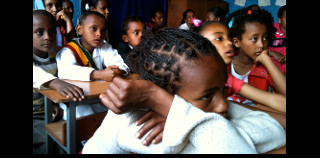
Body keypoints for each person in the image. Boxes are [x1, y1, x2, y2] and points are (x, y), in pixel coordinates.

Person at [82, 28, 286, 154]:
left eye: (222, 90)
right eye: (207, 96)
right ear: (163, 97)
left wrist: (173, 110)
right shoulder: (140, 129)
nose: (223, 104)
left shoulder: (205, 106)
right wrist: (163, 102)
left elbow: (275, 132)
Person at [190, 21, 286, 113]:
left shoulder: (226, 77)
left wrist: (267, 59)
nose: (229, 43)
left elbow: (269, 99)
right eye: (219, 38)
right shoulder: (188, 76)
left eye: (228, 38)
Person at [56, 11, 129, 119]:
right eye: (93, 28)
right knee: (87, 115)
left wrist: (118, 71)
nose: (99, 34)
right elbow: (65, 71)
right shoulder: (69, 50)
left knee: (121, 111)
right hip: (77, 101)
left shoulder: (104, 46)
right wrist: (99, 74)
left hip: (98, 96)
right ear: (79, 29)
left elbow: (121, 64)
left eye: (103, 30)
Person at [33, 10, 84, 153]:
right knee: (49, 142)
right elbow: (35, 74)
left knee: (75, 136)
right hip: (34, 114)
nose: (47, 37)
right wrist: (56, 83)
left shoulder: (58, 53)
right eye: (39, 32)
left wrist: (55, 102)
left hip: (53, 111)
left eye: (52, 31)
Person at [223, 8, 286, 106]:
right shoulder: (225, 64)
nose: (261, 44)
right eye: (254, 39)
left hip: (257, 116)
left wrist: (266, 59)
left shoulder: (265, 68)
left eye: (265, 38)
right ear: (236, 42)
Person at [268, 5, 286, 74]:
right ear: (279, 20)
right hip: (271, 73)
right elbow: (257, 48)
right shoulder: (271, 29)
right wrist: (272, 52)